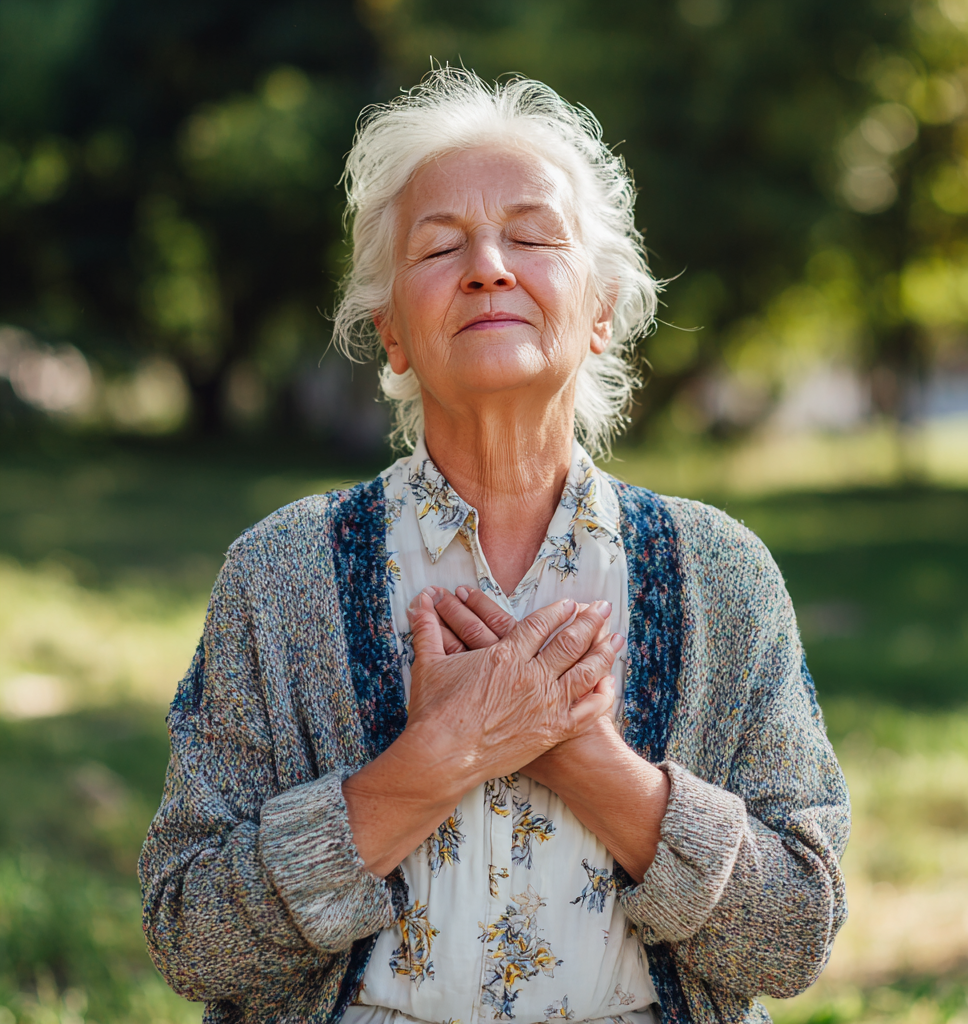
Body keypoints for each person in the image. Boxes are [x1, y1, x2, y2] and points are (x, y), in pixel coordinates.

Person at [139, 69, 850, 1024]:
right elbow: (190, 932)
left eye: (530, 236)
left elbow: (797, 931)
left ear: (601, 312)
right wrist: (433, 759)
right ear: (390, 331)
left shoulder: (719, 570)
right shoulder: (281, 573)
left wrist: (588, 761)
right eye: (440, 247)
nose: (488, 267)